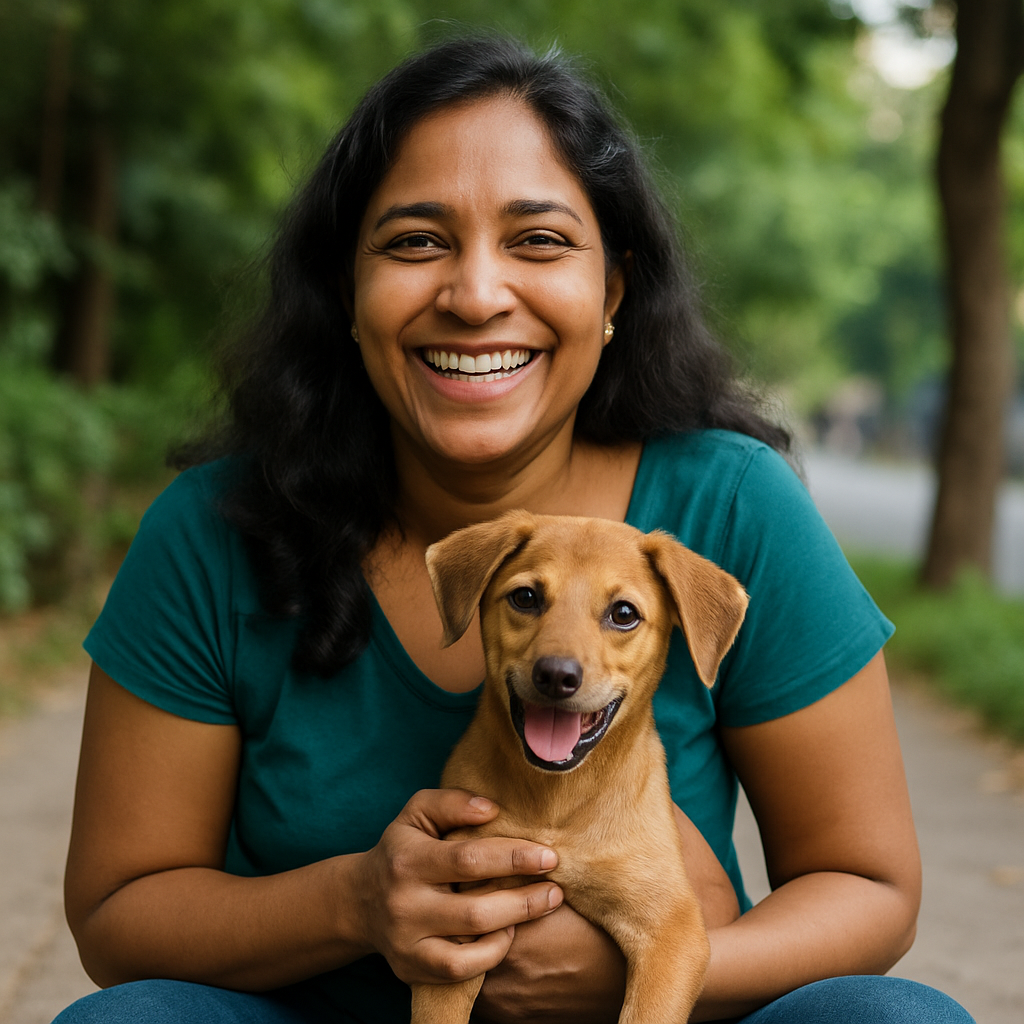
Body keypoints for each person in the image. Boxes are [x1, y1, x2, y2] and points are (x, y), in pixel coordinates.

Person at [54, 36, 974, 1024]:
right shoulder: (214, 530)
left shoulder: (730, 507)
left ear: (612, 290)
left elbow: (868, 886)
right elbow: (120, 913)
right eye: (415, 241)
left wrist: (660, 966)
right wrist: (354, 904)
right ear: (345, 290)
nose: (477, 295)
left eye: (537, 241)